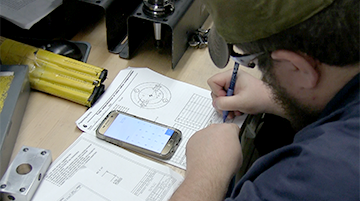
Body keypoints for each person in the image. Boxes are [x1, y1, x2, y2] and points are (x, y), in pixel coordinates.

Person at [170, 0, 360, 200]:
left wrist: (206, 171)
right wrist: (280, 98)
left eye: (253, 62)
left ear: (298, 68)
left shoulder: (309, 179)